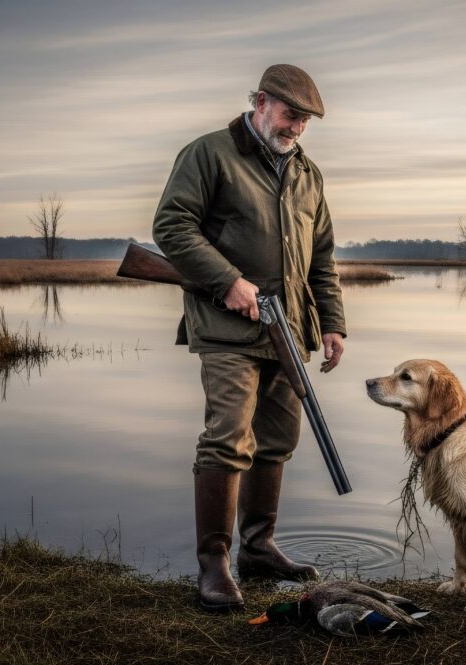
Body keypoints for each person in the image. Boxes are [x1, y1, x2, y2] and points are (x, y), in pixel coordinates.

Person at [152, 64, 347, 612]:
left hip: (289, 330)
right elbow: (171, 227)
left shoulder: (308, 173)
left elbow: (323, 257)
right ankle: (214, 565)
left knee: (278, 439)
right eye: (290, 115)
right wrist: (228, 282)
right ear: (260, 102)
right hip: (227, 327)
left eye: (305, 121)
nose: (297, 129)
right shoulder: (209, 153)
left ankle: (258, 549)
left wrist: (331, 323)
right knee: (227, 439)